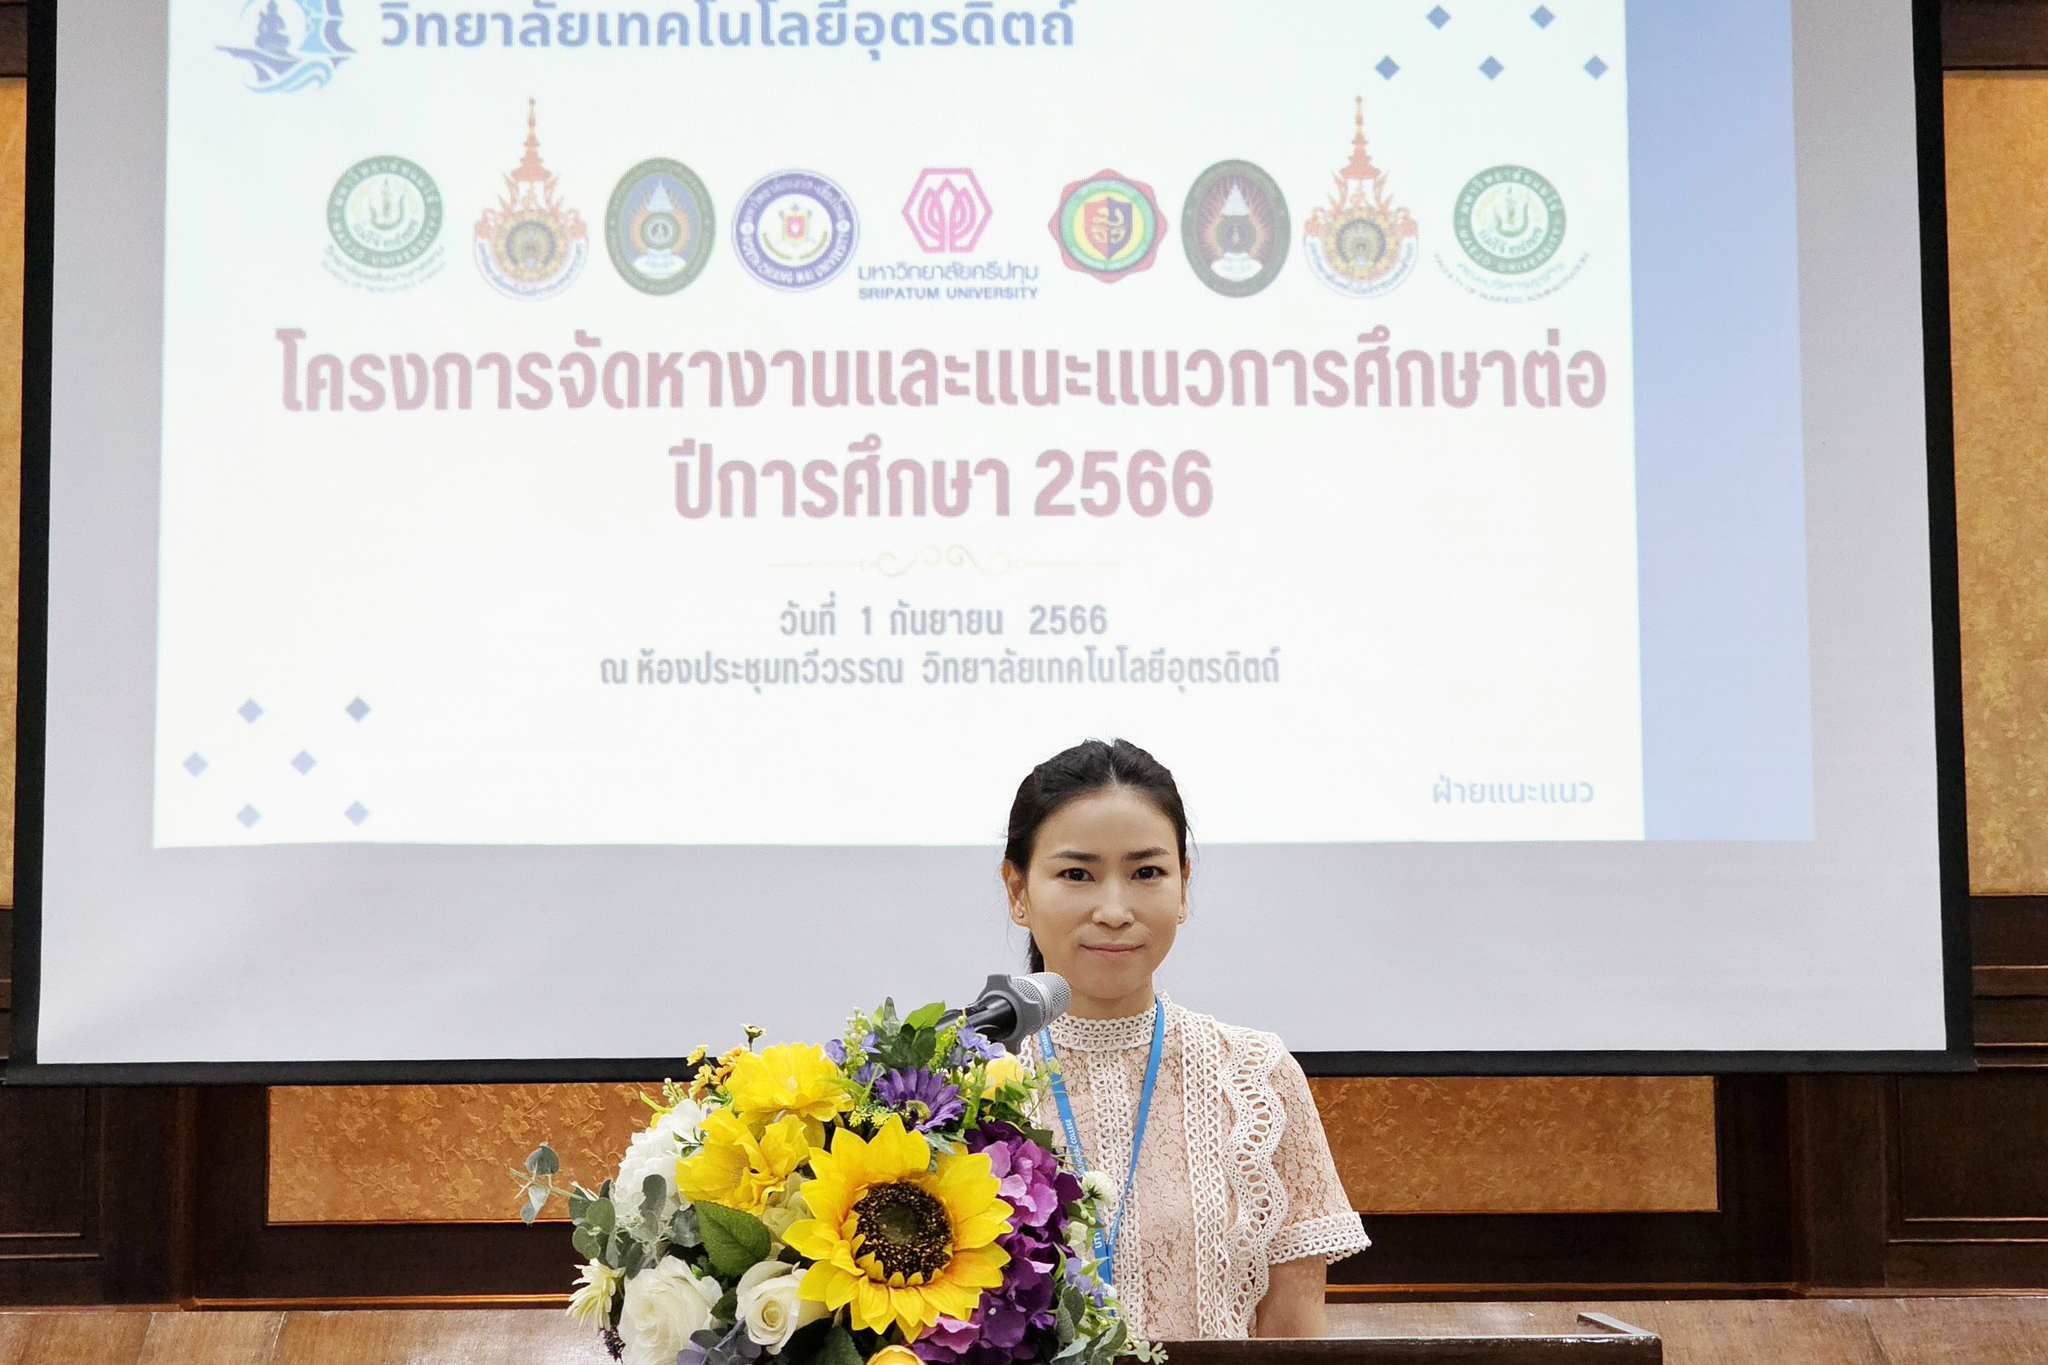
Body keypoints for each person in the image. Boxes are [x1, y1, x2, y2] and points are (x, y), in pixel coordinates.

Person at [1001, 739, 1370, 1341]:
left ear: (1182, 887)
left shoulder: (1256, 1078)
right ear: (1019, 891)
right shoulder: (960, 1087)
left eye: (1146, 872)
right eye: (1077, 874)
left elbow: (1295, 1337)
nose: (1115, 909)